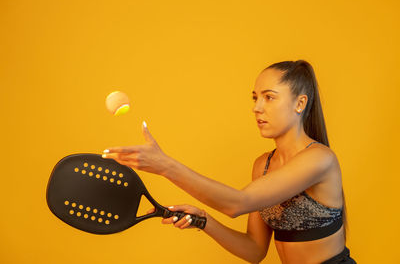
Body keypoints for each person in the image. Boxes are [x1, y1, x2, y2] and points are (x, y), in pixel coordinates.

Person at [102, 60, 356, 264]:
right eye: (255, 97)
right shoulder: (263, 166)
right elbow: (254, 250)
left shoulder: (320, 159)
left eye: (269, 97)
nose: (257, 107)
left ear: (300, 103)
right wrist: (203, 220)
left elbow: (237, 204)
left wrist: (166, 166)